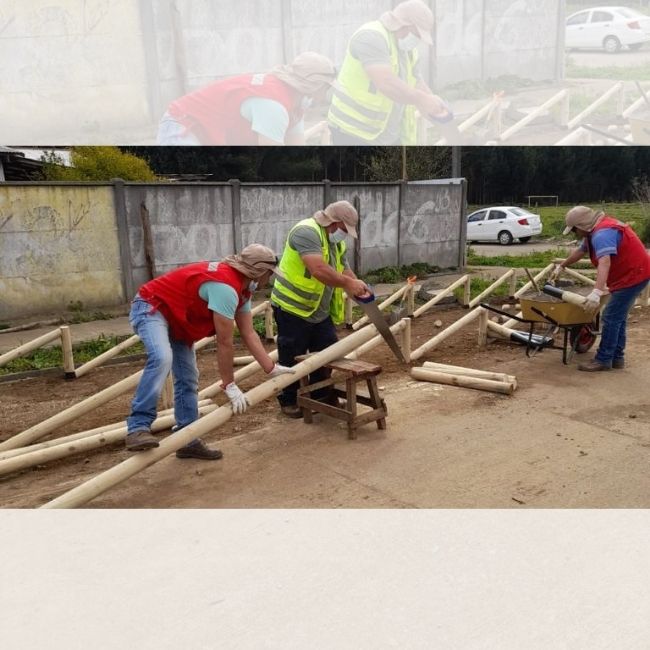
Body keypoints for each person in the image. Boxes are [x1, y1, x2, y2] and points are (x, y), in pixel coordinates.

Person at [125, 244, 294, 458]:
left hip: (179, 321)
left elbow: (248, 333)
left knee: (188, 378)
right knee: (162, 357)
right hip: (152, 308)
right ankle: (138, 427)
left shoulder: (243, 290)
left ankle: (187, 439)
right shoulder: (225, 288)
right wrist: (229, 384)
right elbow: (224, 342)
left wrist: (271, 369)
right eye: (269, 274)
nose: (269, 279)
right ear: (259, 271)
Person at [270, 201, 370, 417]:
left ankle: (321, 396)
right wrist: (347, 283)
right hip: (292, 308)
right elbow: (318, 269)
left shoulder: (335, 242)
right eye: (344, 230)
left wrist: (357, 285)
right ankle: (289, 401)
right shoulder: (306, 232)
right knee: (291, 354)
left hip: (318, 311)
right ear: (333, 223)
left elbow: (342, 267)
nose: (344, 236)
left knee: (327, 352)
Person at [327, 0, 451, 146]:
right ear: (403, 24)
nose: (417, 40)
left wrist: (437, 108)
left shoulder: (408, 50)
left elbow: (417, 82)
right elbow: (386, 82)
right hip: (353, 132)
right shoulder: (371, 37)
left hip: (386, 135)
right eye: (416, 34)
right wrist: (422, 100)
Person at [157, 51, 336, 145]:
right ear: (316, 86)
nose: (328, 91)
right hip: (185, 126)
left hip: (210, 134)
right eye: (327, 85)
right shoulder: (273, 105)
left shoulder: (296, 104)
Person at [552, 205, 650, 372]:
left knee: (610, 317)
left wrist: (597, 292)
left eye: (575, 230)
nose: (575, 233)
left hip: (634, 276)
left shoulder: (602, 234)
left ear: (582, 226)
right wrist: (562, 265)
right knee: (618, 317)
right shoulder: (594, 230)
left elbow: (605, 262)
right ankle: (617, 358)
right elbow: (580, 251)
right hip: (631, 274)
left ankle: (604, 359)